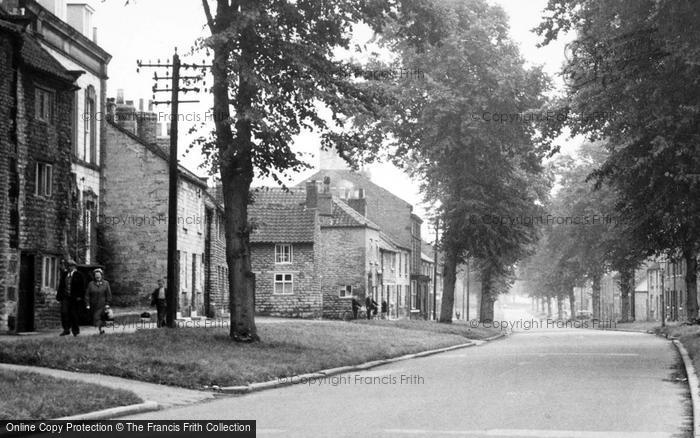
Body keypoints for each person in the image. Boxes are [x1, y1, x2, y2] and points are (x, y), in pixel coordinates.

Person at [56, 259, 85, 336]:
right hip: (65, 297)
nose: (69, 268)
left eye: (71, 266)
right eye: (68, 266)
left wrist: (80, 296)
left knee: (74, 314)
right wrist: (59, 296)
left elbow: (82, 287)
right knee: (64, 312)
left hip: (74, 298)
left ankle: (75, 331)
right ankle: (66, 329)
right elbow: (61, 286)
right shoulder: (65, 274)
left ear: (74, 267)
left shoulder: (78, 275)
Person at [85, 268, 112, 334]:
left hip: (102, 305)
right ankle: (100, 330)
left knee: (97, 317)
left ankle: (100, 330)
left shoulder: (106, 283)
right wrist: (87, 304)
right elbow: (87, 295)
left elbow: (109, 295)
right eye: (96, 276)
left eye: (99, 275)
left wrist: (107, 303)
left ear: (101, 275)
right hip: (93, 305)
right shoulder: (91, 284)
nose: (97, 277)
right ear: (94, 276)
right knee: (96, 319)